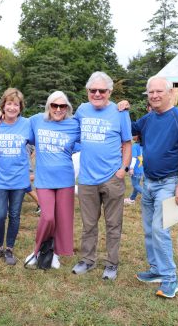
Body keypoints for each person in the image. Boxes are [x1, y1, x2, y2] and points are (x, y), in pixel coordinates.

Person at [133, 76, 178, 299]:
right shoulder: (148, 119)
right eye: (151, 92)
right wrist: (120, 109)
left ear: (170, 93)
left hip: (169, 183)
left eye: (159, 91)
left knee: (160, 230)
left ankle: (170, 279)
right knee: (149, 230)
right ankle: (156, 270)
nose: (155, 95)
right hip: (147, 182)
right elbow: (127, 129)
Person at [72, 71, 132, 281]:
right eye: (93, 90)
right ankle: (87, 260)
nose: (97, 93)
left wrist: (122, 169)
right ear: (88, 91)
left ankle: (112, 263)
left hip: (112, 178)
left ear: (110, 91)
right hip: (87, 179)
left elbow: (127, 143)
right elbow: (64, 125)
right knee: (88, 224)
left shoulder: (120, 111)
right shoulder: (81, 110)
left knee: (113, 224)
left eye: (102, 90)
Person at [23, 91, 80, 269]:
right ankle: (37, 250)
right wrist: (0, 115)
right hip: (44, 179)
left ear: (67, 108)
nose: (58, 109)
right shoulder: (36, 120)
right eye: (54, 105)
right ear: (48, 106)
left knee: (62, 219)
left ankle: (55, 253)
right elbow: (16, 121)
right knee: (48, 217)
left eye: (62, 106)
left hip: (65, 179)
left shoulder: (74, 124)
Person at [0, 88, 30, 265]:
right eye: (9, 103)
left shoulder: (27, 124)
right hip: (0, 179)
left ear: (20, 107)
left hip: (19, 179)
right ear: (3, 105)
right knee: (0, 215)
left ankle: (9, 248)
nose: (12, 107)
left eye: (16, 104)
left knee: (15, 215)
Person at [124, 135, 143, 205]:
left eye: (134, 134)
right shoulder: (142, 146)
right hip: (141, 170)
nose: (132, 136)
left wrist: (131, 168)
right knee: (137, 184)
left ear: (137, 137)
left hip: (135, 170)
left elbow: (134, 158)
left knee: (135, 185)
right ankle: (132, 199)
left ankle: (148, 196)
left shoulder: (134, 146)